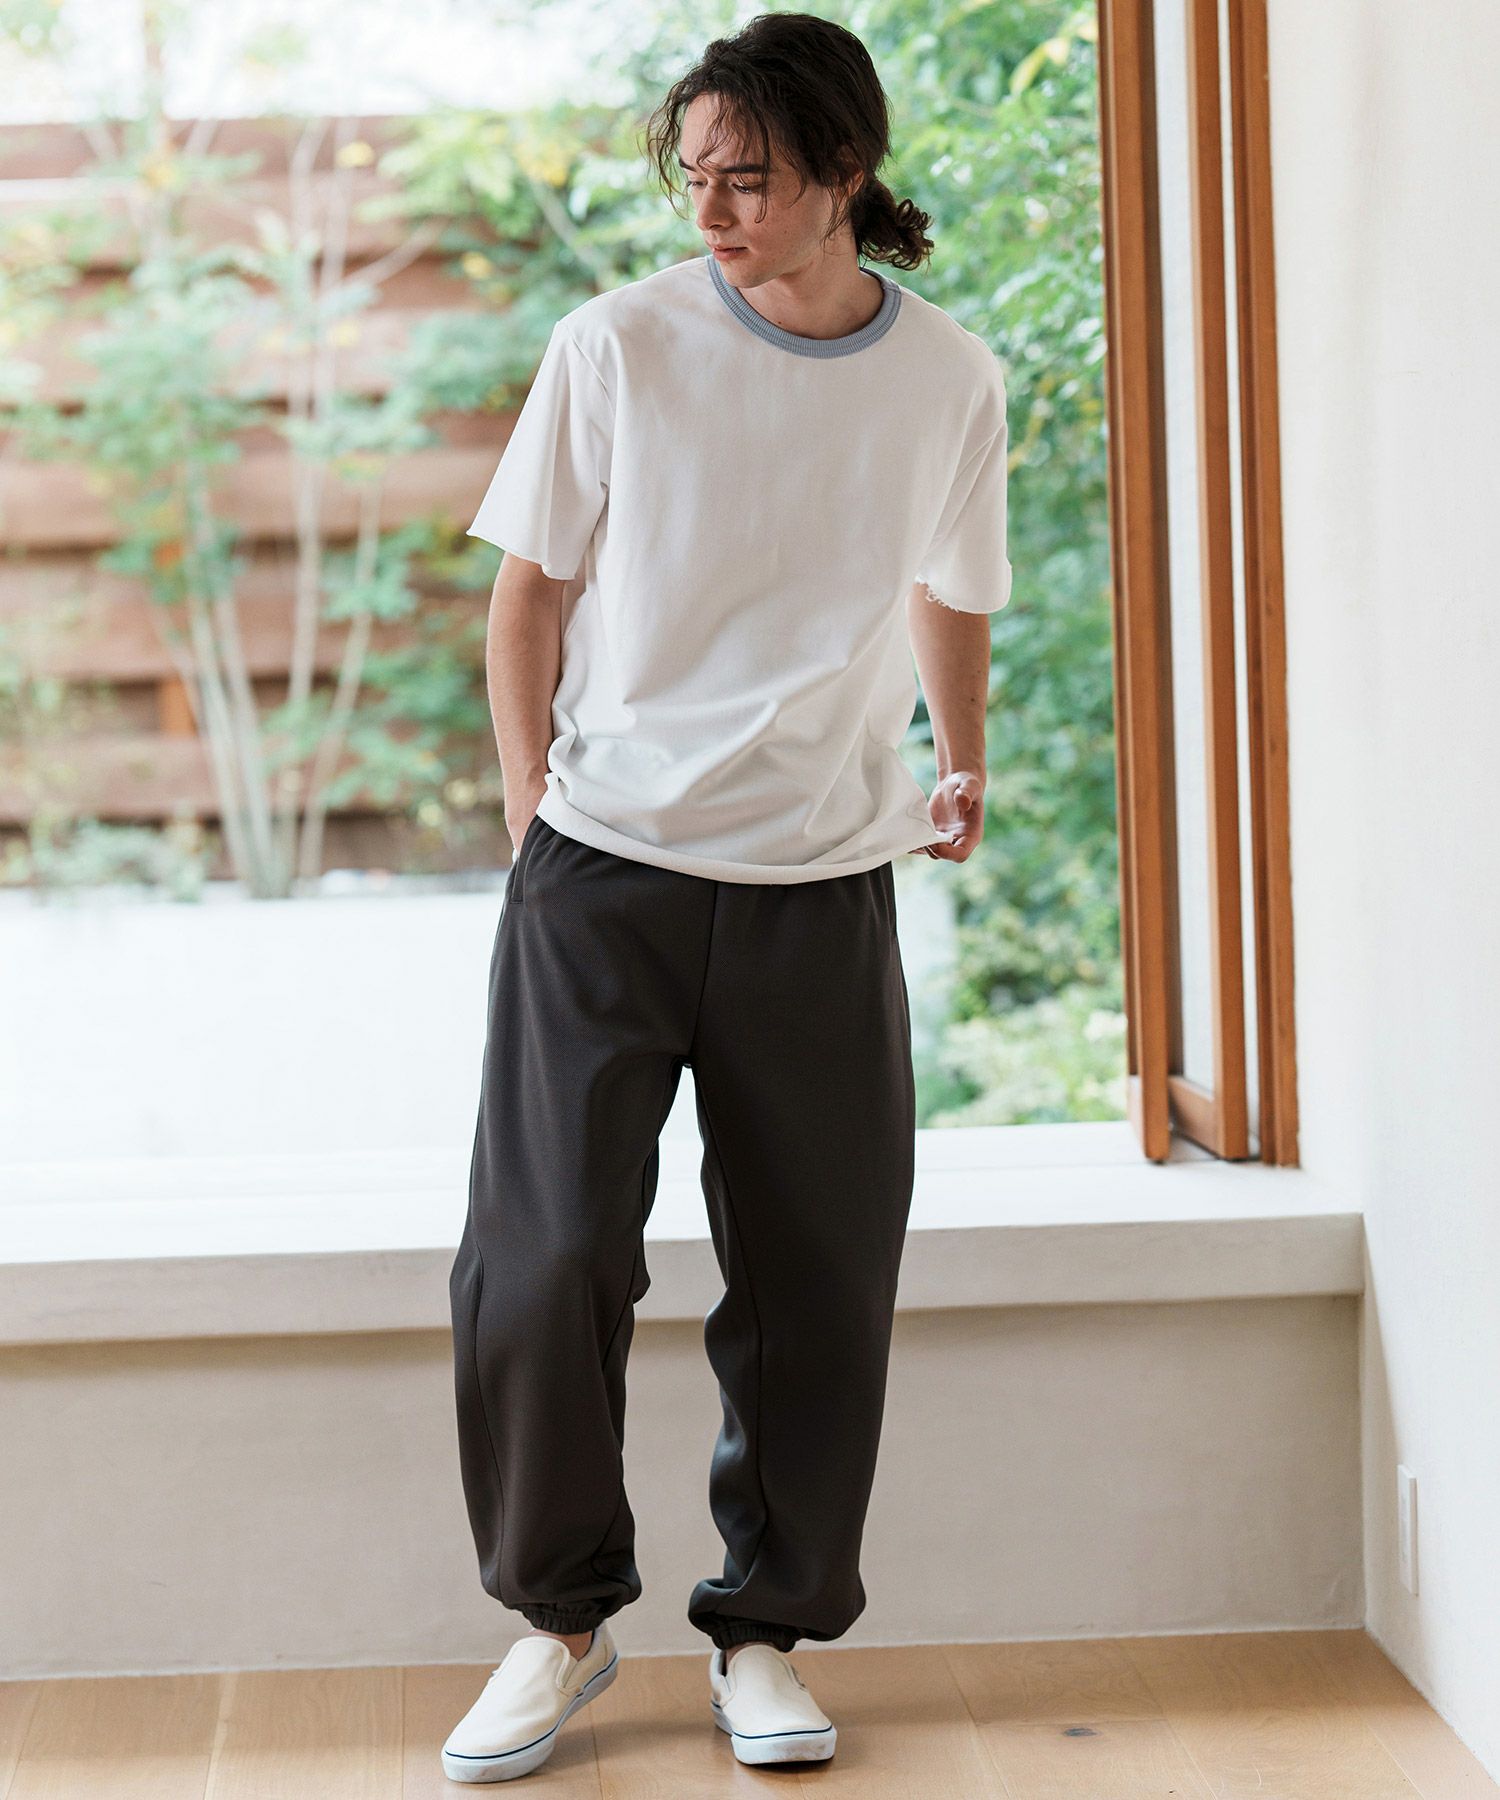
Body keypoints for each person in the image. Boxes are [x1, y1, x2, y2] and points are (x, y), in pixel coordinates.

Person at [442, 11, 1012, 1783]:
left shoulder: (948, 377)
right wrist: (533, 814)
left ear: (844, 171)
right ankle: (557, 1625)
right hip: (602, 875)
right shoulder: (615, 345)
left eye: (747, 178)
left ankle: (767, 1633)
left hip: (821, 885)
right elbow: (529, 593)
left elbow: (952, 584)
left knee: (818, 1281)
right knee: (543, 1263)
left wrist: (961, 756)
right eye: (692, 175)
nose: (710, 208)